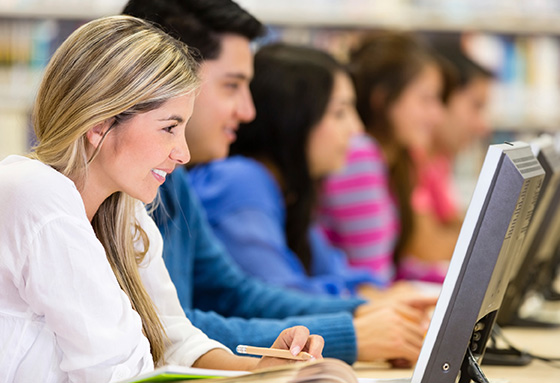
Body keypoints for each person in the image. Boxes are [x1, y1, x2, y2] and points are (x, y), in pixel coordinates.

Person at [0, 16, 323, 382]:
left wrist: (264, 371)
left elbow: (173, 341)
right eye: (169, 128)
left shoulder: (124, 213)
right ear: (99, 122)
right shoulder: (34, 193)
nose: (182, 153)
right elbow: (117, 370)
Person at [124, 0, 432, 366]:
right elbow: (168, 328)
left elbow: (234, 293)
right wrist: (350, 331)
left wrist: (361, 311)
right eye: (231, 86)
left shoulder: (175, 183)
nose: (247, 111)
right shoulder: (227, 180)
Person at [316, 31, 445, 287]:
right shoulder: (358, 155)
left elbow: (389, 268)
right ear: (383, 99)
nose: (437, 115)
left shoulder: (392, 160)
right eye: (425, 99)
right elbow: (372, 278)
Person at [402, 42, 494, 283]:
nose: (483, 125)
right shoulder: (409, 159)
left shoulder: (437, 162)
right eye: (476, 106)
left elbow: (457, 230)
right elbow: (428, 249)